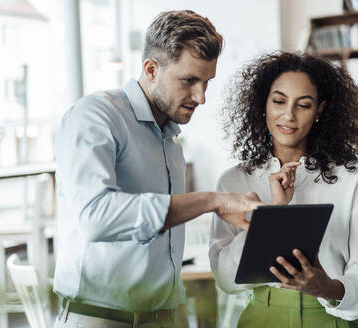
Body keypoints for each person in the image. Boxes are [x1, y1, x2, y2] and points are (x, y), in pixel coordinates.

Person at [53, 10, 262, 328]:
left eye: (206, 82)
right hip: (102, 319)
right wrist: (213, 201)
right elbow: (96, 217)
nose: (201, 97)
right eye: (189, 80)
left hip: (169, 317)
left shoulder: (171, 138)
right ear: (151, 69)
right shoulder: (96, 116)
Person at [209, 51, 358, 327]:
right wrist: (273, 214)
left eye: (303, 105)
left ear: (320, 110)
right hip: (262, 317)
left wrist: (327, 287)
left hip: (330, 317)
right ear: (263, 104)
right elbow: (225, 280)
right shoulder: (234, 181)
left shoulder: (353, 177)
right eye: (279, 101)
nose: (288, 115)